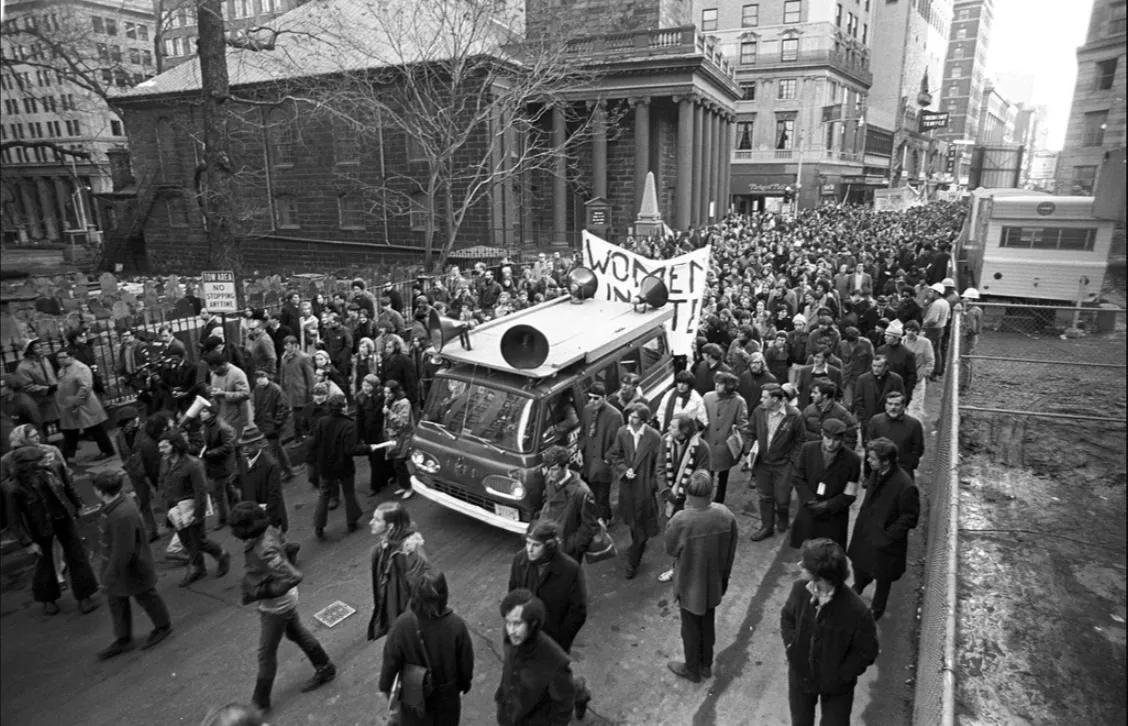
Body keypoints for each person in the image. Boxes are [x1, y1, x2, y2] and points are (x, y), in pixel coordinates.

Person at [231, 502, 336, 713]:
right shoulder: (268, 532)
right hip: (283, 600)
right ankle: (325, 667)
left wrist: (263, 591)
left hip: (276, 606)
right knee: (296, 632)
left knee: (266, 653)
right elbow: (287, 551)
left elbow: (292, 576)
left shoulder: (263, 549)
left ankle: (260, 702)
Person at [781, 538, 879, 726]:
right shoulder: (800, 589)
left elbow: (867, 651)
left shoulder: (857, 610)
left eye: (805, 564)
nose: (800, 565)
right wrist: (792, 645)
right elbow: (787, 616)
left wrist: (841, 675)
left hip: (837, 688)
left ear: (821, 575)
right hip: (801, 676)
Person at [3, 444, 100, 615]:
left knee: (77, 556)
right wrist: (27, 542)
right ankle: (47, 598)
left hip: (62, 517)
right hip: (39, 527)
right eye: (40, 460)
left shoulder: (55, 468)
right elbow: (14, 519)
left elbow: (68, 487)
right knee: (45, 562)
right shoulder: (14, 487)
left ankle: (85, 596)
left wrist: (78, 506)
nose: (46, 461)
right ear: (28, 465)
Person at [664, 471, 738, 683]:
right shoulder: (725, 515)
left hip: (688, 585)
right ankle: (706, 665)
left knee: (690, 629)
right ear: (711, 490)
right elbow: (731, 550)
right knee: (708, 623)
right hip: (714, 583)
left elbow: (670, 549)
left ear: (687, 493)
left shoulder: (681, 520)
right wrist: (724, 579)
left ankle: (692, 669)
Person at [91, 470, 173, 660]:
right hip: (120, 566)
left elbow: (122, 551)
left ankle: (163, 626)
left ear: (102, 491)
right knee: (116, 600)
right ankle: (123, 637)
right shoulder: (118, 503)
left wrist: (108, 577)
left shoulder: (121, 514)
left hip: (131, 567)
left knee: (146, 596)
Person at [379, 570, 475, 726]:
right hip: (446, 700)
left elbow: (390, 664)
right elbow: (465, 664)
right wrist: (464, 685)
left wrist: (387, 688)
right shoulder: (456, 625)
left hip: (414, 699)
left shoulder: (402, 624)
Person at [847, 438, 921, 622]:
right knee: (860, 563)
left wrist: (887, 536)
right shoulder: (877, 473)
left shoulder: (905, 486)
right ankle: (861, 584)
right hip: (866, 533)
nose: (868, 461)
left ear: (886, 460)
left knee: (883, 578)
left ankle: (876, 610)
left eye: (872, 458)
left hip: (885, 541)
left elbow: (910, 518)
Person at [495, 589, 577, 725]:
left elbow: (564, 705)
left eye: (517, 623)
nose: (511, 631)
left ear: (533, 623)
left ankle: (582, 693)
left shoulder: (555, 661)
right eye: (508, 622)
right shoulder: (510, 635)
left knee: (572, 688)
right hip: (509, 713)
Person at [162, 430, 231, 587]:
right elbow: (164, 483)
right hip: (175, 509)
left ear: (175, 446)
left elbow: (201, 490)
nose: (161, 450)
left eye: (164, 446)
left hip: (191, 508)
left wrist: (198, 514)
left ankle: (221, 554)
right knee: (186, 540)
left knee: (199, 540)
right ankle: (197, 567)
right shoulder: (166, 462)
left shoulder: (193, 464)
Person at [607, 404, 662, 579]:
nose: (631, 420)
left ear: (644, 419)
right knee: (632, 520)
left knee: (641, 523)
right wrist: (624, 470)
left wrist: (652, 484)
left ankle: (633, 562)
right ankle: (637, 545)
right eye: (630, 416)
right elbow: (615, 455)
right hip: (628, 487)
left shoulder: (654, 437)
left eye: (636, 417)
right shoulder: (623, 432)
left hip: (644, 488)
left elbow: (658, 465)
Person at [790, 420, 861, 551]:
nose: (831, 443)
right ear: (822, 433)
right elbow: (798, 477)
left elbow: (850, 494)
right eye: (828, 438)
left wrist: (827, 505)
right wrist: (810, 500)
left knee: (828, 555)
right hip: (808, 511)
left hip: (833, 518)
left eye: (836, 440)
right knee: (807, 549)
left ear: (842, 439)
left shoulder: (853, 460)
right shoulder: (808, 449)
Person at [749, 384, 807, 542]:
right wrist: (750, 451)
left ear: (775, 399)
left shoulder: (794, 415)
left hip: (784, 465)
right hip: (762, 463)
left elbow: (800, 441)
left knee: (782, 498)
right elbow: (750, 432)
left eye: (764, 397)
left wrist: (793, 462)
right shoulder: (758, 411)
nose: (761, 399)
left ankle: (782, 515)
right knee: (764, 496)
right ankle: (767, 526)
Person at [366, 501, 429, 641]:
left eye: (377, 520)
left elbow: (419, 596)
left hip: (407, 627)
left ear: (390, 526)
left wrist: (405, 628)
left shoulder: (412, 555)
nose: (371, 523)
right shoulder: (382, 548)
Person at [311, 394, 367, 538]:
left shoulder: (322, 422)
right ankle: (351, 520)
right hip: (344, 466)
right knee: (349, 493)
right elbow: (351, 449)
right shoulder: (349, 425)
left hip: (326, 466)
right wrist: (368, 448)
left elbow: (315, 443)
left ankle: (319, 525)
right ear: (343, 408)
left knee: (324, 494)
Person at [537, 445, 599, 563]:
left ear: (566, 466)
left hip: (568, 553)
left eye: (554, 469)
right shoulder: (549, 479)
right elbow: (547, 501)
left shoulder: (582, 492)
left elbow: (590, 526)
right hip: (549, 543)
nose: (550, 474)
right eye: (547, 469)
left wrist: (573, 546)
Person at [54, 349, 116, 462]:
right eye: (59, 358)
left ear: (72, 356)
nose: (60, 360)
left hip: (84, 406)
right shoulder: (63, 370)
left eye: (64, 357)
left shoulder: (81, 368)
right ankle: (66, 456)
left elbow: (85, 388)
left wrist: (76, 401)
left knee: (96, 429)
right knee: (70, 432)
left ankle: (108, 450)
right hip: (70, 406)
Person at [701, 371, 750, 505]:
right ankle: (706, 498)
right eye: (716, 383)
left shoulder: (739, 402)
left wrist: (743, 445)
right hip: (709, 442)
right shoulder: (707, 397)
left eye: (720, 384)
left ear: (728, 386)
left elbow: (743, 424)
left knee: (724, 475)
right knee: (707, 473)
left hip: (726, 446)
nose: (716, 385)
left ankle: (719, 500)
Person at [579, 382, 622, 524]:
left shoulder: (615, 416)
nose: (592, 401)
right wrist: (581, 449)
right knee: (592, 493)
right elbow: (583, 432)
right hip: (588, 460)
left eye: (596, 398)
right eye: (590, 397)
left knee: (602, 495)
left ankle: (602, 523)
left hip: (603, 462)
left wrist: (607, 459)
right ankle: (607, 517)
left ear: (604, 397)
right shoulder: (586, 410)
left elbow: (618, 442)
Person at [114, 406, 160, 539]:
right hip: (135, 473)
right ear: (124, 424)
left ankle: (175, 521)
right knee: (144, 502)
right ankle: (152, 530)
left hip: (150, 470)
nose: (135, 421)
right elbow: (123, 454)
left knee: (162, 496)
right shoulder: (119, 436)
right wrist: (128, 467)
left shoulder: (146, 429)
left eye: (135, 419)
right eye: (131, 420)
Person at [237, 425, 289, 537]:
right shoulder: (243, 461)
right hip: (252, 517)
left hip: (269, 517)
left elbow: (274, 495)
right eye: (244, 445)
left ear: (259, 444)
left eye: (249, 444)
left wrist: (264, 518)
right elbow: (244, 488)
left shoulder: (271, 465)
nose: (245, 448)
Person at [865, 391, 925, 479]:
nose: (893, 407)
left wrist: (910, 465)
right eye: (890, 404)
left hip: (904, 471)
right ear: (885, 405)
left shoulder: (914, 424)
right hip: (880, 470)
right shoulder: (875, 421)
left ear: (903, 406)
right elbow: (869, 443)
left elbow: (918, 449)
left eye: (897, 405)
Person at [198, 402, 238, 529]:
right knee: (228, 487)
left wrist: (211, 453)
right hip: (216, 463)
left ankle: (223, 518)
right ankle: (238, 507)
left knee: (218, 492)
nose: (201, 414)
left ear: (212, 413)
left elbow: (228, 445)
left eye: (204, 411)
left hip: (223, 464)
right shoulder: (206, 426)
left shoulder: (222, 427)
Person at [251, 369, 294, 480]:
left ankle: (272, 477)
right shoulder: (257, 390)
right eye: (258, 378)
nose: (260, 380)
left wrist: (277, 423)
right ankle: (288, 470)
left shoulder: (275, 389)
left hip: (273, 426)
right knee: (277, 448)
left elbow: (284, 408)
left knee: (272, 452)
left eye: (262, 377)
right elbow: (257, 407)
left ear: (267, 377)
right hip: (265, 425)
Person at [852, 355, 905, 443]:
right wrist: (864, 419)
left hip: (890, 421)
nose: (876, 369)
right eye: (874, 366)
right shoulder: (863, 379)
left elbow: (902, 399)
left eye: (879, 366)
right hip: (869, 421)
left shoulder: (896, 379)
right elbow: (858, 401)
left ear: (886, 367)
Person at [207, 352, 253, 439]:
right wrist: (212, 391)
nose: (214, 373)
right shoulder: (213, 373)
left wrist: (224, 394)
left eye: (216, 370)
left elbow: (246, 393)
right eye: (212, 370)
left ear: (223, 365)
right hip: (222, 413)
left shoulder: (237, 374)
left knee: (235, 441)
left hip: (237, 415)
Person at [355, 374, 388, 496]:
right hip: (368, 432)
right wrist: (358, 436)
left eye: (368, 386)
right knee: (373, 457)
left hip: (380, 431)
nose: (365, 388)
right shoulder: (360, 397)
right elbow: (359, 417)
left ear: (374, 386)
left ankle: (376, 485)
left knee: (376, 458)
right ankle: (384, 478)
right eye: (363, 385)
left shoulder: (382, 396)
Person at [17, 339, 60, 432]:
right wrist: (47, 389)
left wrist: (55, 385)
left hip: (55, 397)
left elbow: (51, 375)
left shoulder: (45, 360)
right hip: (41, 401)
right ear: (28, 351)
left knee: (60, 421)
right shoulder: (23, 368)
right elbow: (27, 387)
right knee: (44, 424)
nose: (40, 350)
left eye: (40, 347)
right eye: (36, 348)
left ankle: (66, 443)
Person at [801, 381, 858, 447]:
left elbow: (850, 439)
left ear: (825, 395)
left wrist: (839, 454)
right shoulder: (808, 410)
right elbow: (800, 433)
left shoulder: (842, 413)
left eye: (815, 393)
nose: (811, 395)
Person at [876, 320, 917, 406]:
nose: (885, 337)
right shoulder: (880, 350)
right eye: (885, 335)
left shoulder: (907, 354)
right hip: (881, 389)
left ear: (896, 338)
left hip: (897, 390)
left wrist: (906, 394)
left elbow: (912, 376)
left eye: (888, 336)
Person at [921, 283, 950, 380]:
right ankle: (937, 372)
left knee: (930, 352)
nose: (929, 293)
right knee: (937, 351)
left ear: (937, 293)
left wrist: (924, 323)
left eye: (931, 291)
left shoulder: (936, 304)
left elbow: (933, 319)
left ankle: (931, 372)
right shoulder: (945, 302)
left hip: (933, 330)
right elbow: (948, 316)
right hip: (941, 328)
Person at [959, 288, 982, 393]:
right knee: (968, 360)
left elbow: (971, 327)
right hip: (974, 338)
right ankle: (966, 383)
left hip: (969, 338)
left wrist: (964, 333)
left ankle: (964, 385)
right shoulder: (978, 310)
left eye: (966, 299)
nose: (964, 300)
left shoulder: (971, 312)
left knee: (965, 360)